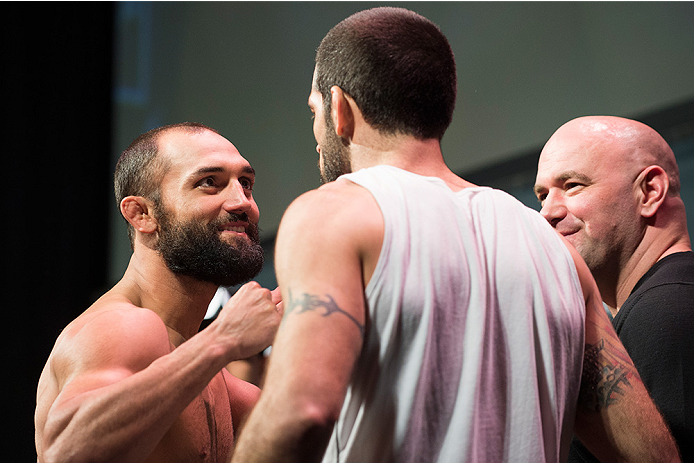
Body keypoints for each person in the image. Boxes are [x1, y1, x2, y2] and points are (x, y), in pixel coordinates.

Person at [231, 7, 679, 463]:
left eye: (314, 110)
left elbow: (300, 412)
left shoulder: (331, 213)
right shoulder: (552, 247)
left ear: (340, 109)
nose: (316, 133)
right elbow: (654, 455)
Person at [34, 122, 283, 463]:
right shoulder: (125, 327)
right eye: (209, 182)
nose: (242, 202)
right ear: (142, 214)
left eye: (246, 183)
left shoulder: (222, 385)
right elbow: (66, 455)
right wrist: (222, 340)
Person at [534, 115, 693, 462]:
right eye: (542, 195)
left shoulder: (665, 313)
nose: (547, 212)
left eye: (573, 185)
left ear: (649, 192)